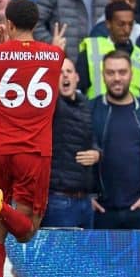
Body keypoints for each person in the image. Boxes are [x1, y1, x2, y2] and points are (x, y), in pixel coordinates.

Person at [0, 0, 64, 277]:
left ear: (9, 24)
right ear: (36, 24)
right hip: (33, 152)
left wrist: (1, 46)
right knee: (26, 230)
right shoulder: (55, 55)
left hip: (0, 149)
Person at [90, 50, 140, 229]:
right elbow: (74, 154)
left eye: (122, 72)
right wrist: (87, 197)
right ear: (102, 75)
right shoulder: (89, 111)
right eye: (110, 72)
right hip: (100, 212)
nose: (117, 78)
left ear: (131, 74)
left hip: (139, 212)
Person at [42, 58, 98, 229]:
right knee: (61, 255)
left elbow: (91, 139)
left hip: (85, 200)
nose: (64, 75)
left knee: (85, 255)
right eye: (59, 72)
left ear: (77, 77)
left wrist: (97, 153)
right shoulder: (50, 106)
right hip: (59, 200)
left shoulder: (86, 105)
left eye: (69, 71)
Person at [77, 1, 140, 100]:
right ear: (108, 24)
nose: (127, 30)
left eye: (130, 24)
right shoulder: (92, 49)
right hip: (98, 112)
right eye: (121, 24)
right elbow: (78, 90)